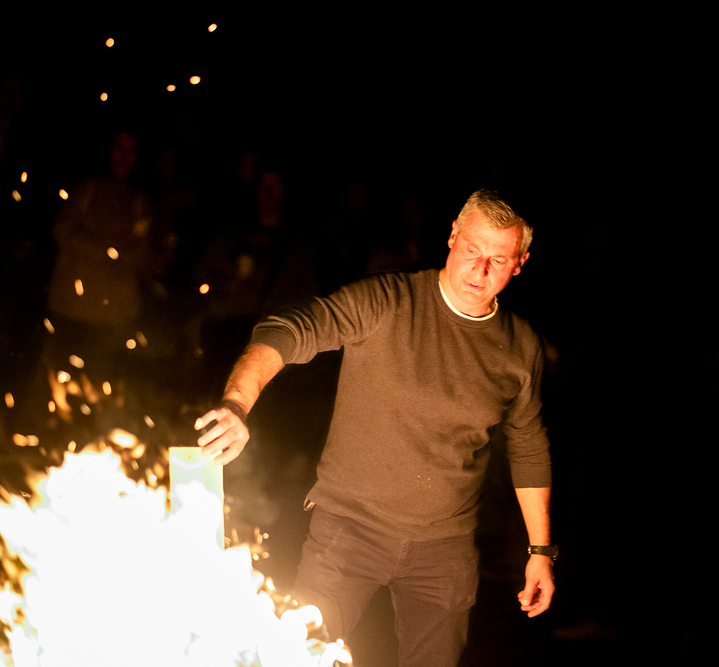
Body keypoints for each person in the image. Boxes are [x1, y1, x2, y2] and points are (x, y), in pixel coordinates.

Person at [195, 189, 555, 666]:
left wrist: (540, 549)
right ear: (452, 235)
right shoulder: (387, 301)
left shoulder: (520, 346)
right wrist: (237, 404)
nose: (480, 269)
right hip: (349, 531)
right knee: (297, 657)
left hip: (444, 549)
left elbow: (528, 442)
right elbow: (288, 329)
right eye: (472, 249)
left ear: (520, 264)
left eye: (498, 259)